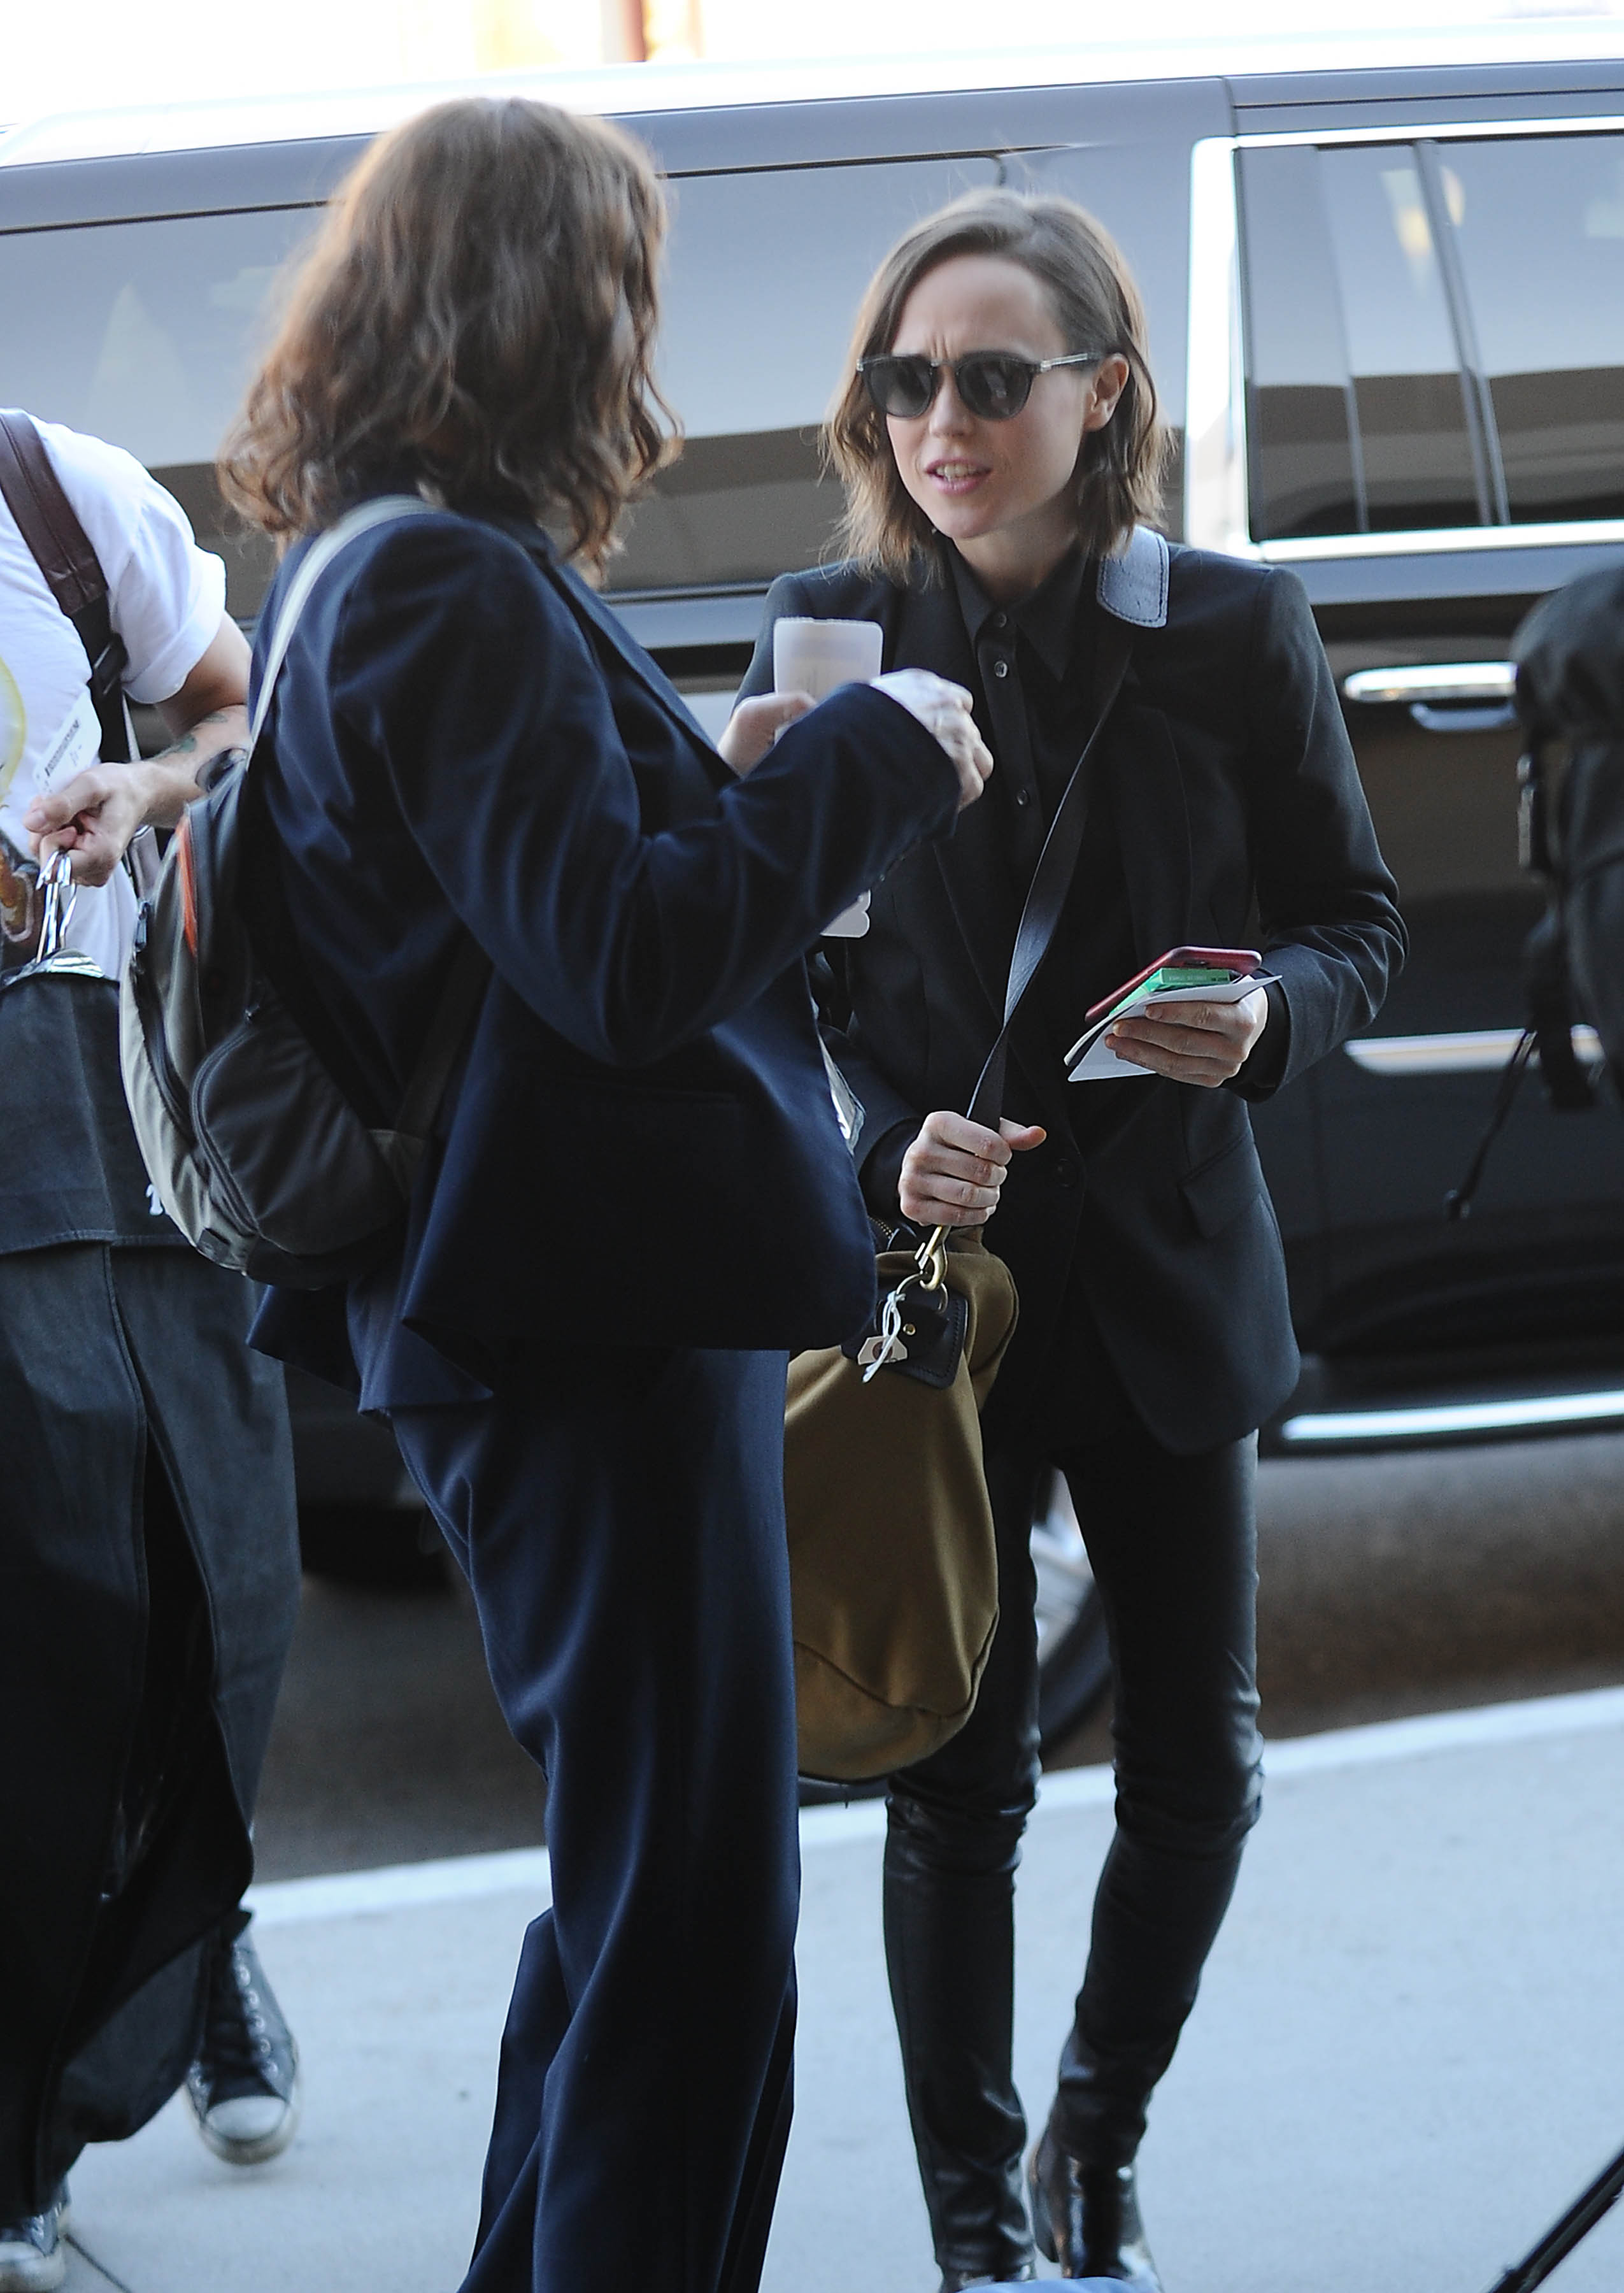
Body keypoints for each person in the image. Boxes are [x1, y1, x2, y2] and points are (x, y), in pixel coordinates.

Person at [215, 96, 992, 2293]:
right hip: (581, 1326)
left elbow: (535, 906)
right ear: (550, 304)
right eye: (626, 286)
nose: (645, 332)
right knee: (696, 1945)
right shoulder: (451, 584)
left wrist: (715, 773)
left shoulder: (366, 560)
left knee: (631, 1901)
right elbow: (628, 964)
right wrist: (872, 762)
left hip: (528, 1315)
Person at [730, 190, 1406, 2292]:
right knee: (960, 1772)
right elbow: (761, 982)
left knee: (1198, 1766)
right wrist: (869, 1150)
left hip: (1175, 1267)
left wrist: (1275, 1016)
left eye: (994, 379)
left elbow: (1357, 925)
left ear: (1104, 396)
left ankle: (1089, 2156)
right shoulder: (833, 629)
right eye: (907, 378)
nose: (944, 417)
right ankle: (972, 2232)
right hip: (946, 1299)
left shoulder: (1228, 628)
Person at [0, 414, 303, 2293]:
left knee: (221, 1582)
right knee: (47, 1620)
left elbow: (234, 722)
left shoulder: (53, 489)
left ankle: (202, 1930)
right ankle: (31, 2144)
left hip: (135, 1095)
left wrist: (141, 789)